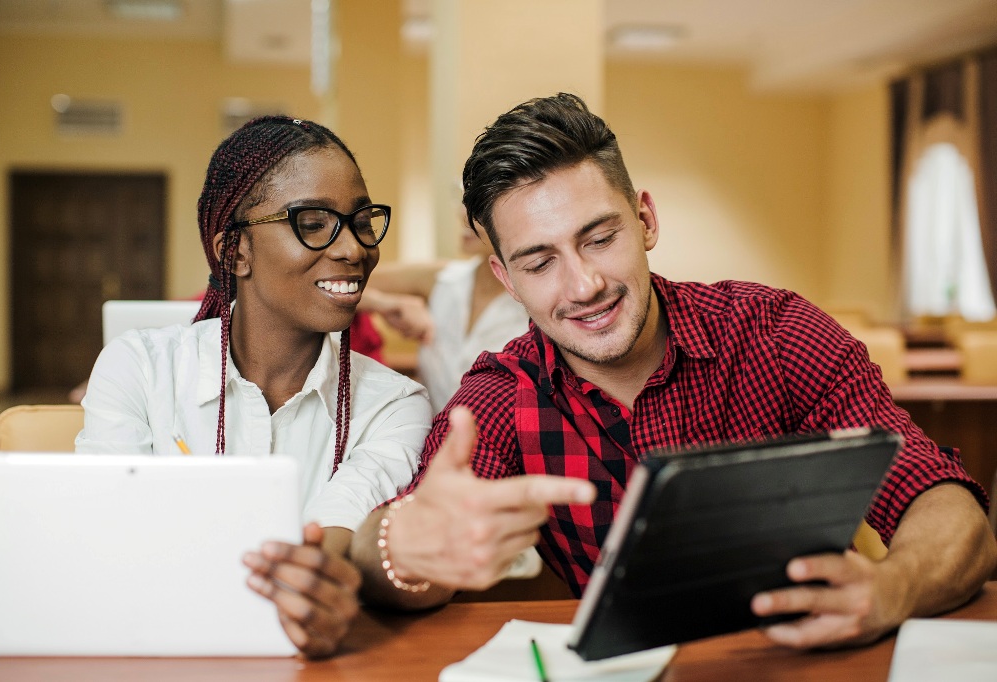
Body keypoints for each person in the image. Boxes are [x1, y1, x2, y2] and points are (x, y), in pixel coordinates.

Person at [349, 93, 997, 649]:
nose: (585, 285)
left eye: (600, 238)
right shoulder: (498, 399)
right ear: (506, 278)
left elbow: (943, 503)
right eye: (540, 261)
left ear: (646, 220)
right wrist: (400, 548)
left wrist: (892, 587)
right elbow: (400, 552)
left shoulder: (775, 334)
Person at [76, 116, 432, 657]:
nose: (355, 249)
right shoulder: (139, 369)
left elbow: (342, 521)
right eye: (313, 222)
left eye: (362, 220)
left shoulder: (395, 403)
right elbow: (108, 543)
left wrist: (315, 583)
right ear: (234, 251)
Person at [360, 216, 529, 413]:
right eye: (464, 198)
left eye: (480, 208)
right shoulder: (441, 279)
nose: (464, 215)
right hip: (428, 439)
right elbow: (335, 285)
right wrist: (385, 304)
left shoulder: (538, 302)